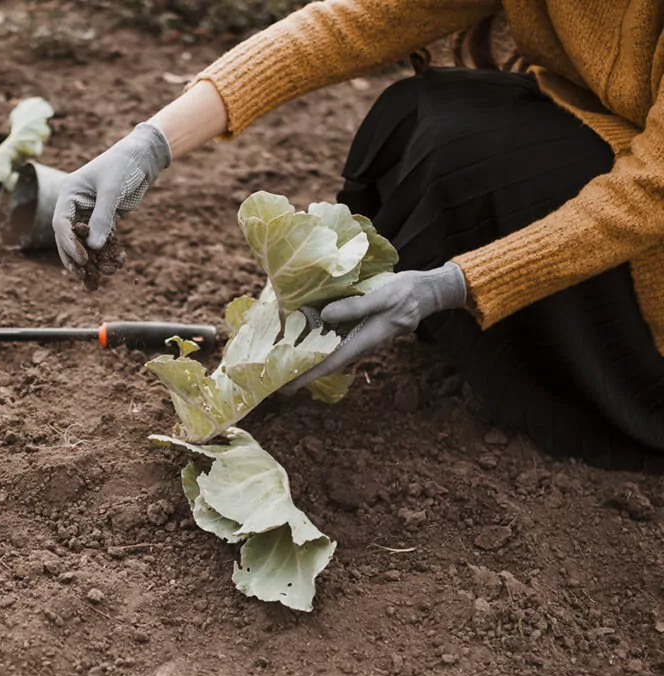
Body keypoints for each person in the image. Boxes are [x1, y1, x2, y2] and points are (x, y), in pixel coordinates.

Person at [51, 1, 664, 472]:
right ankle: (488, 334)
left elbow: (651, 191)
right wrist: (150, 145)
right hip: (614, 130)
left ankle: (590, 378)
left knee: (478, 161)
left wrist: (450, 284)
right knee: (426, 119)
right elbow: (359, 21)